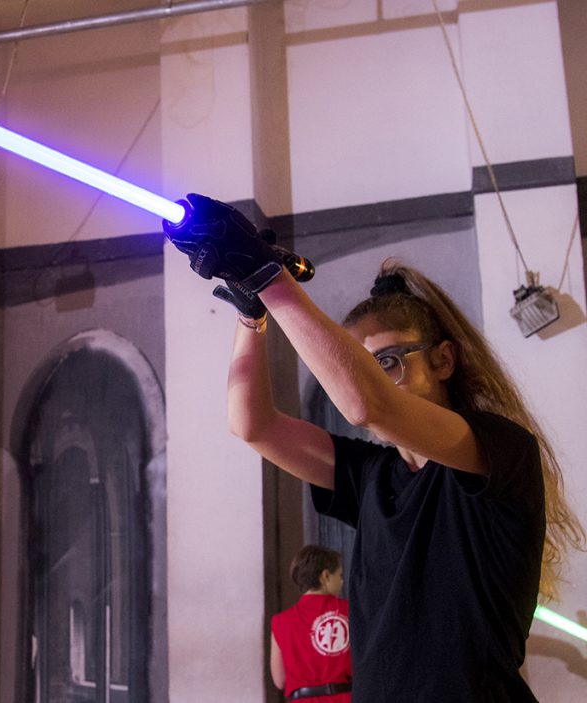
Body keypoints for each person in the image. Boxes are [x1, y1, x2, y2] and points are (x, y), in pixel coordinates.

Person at [164, 194, 585, 702]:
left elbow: (368, 404)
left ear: (444, 360)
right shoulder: (371, 474)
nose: (371, 378)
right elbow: (252, 425)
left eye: (386, 362)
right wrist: (252, 312)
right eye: (361, 365)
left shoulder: (499, 448)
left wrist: (267, 277)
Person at [270, 545, 352, 702]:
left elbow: (280, 680)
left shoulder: (281, 621)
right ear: (325, 576)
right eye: (339, 575)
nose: (342, 582)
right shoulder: (350, 611)